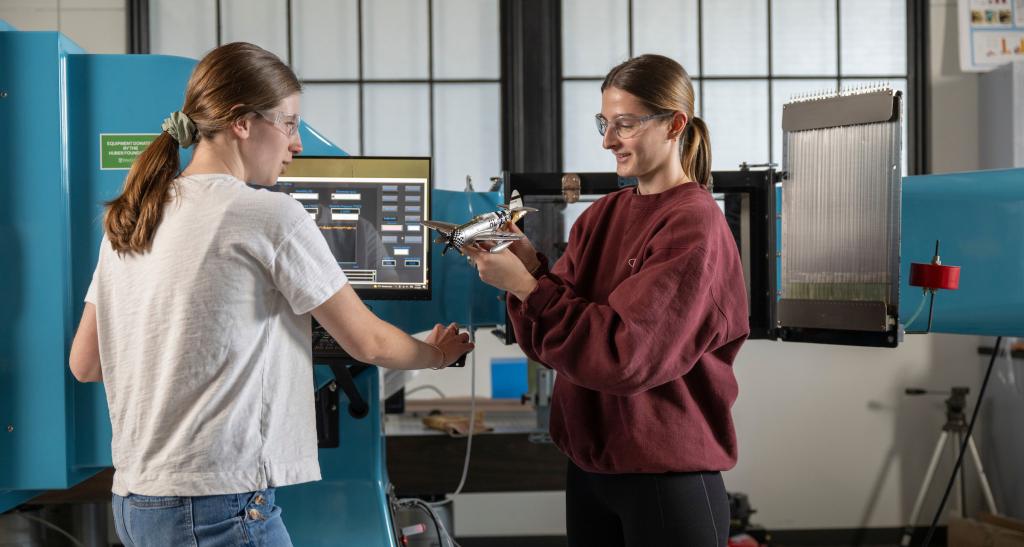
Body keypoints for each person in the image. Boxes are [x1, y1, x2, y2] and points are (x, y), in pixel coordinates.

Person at [68, 42, 473, 547]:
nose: (296, 143)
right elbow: (366, 341)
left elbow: (86, 362)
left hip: (138, 504)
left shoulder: (131, 217)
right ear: (241, 122)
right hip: (220, 509)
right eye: (289, 123)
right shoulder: (268, 215)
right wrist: (436, 354)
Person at [464, 54, 749, 547]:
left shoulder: (693, 223)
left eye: (625, 124)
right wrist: (529, 266)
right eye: (604, 122)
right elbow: (552, 343)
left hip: (666, 477)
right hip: (592, 468)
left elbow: (625, 358)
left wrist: (529, 287)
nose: (607, 140)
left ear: (675, 124)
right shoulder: (603, 215)